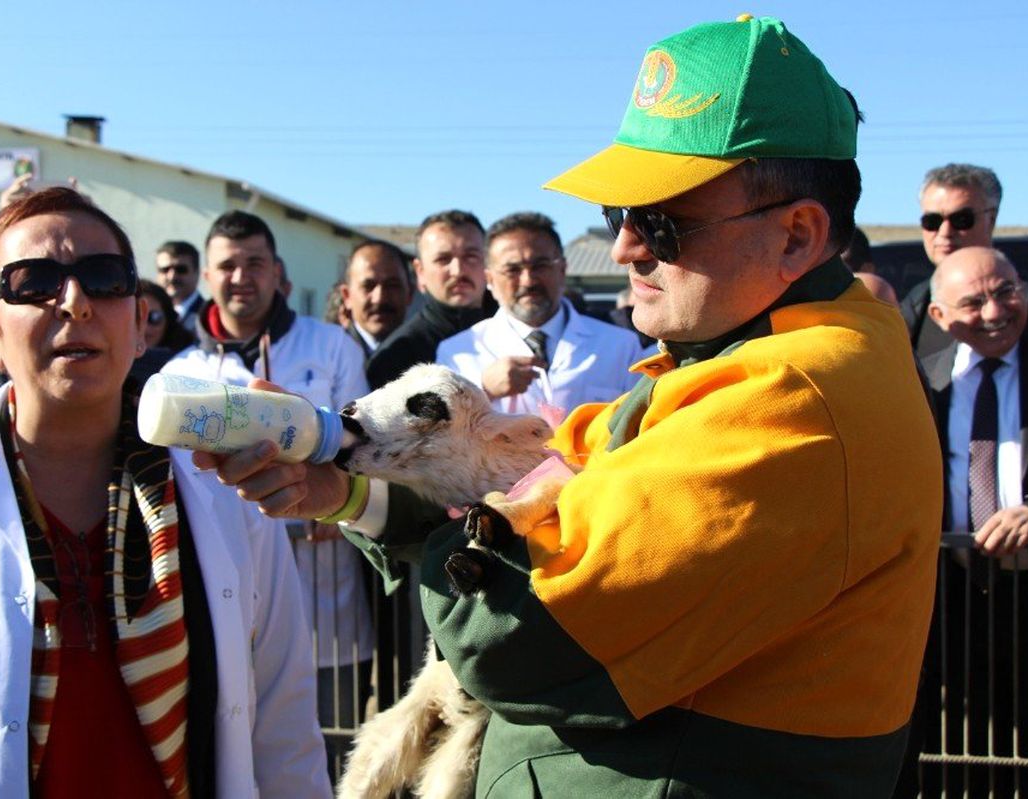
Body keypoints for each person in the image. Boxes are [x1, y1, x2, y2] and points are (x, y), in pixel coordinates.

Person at [200, 15, 943, 796]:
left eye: (661, 221)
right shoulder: (759, 354)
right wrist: (347, 481)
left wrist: (415, 517)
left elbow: (513, 635)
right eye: (619, 217)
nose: (624, 247)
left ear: (798, 234)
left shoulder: (792, 392)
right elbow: (545, 472)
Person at [0, 187, 330, 797]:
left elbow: (283, 728)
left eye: (104, 279)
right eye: (34, 283)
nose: (75, 303)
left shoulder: (226, 483)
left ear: (139, 326)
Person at [161, 210, 374, 770]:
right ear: (207, 276)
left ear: (278, 273)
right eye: (227, 266)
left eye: (254, 263)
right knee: (236, 742)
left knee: (332, 743)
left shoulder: (331, 347)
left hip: (327, 595)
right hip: (227, 588)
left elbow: (364, 451)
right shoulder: (183, 373)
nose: (241, 277)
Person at [914, 246, 1028, 798]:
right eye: (973, 302)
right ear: (939, 317)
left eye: (1006, 291)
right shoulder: (917, 379)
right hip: (944, 595)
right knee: (952, 739)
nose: (996, 311)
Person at [436, 212, 642, 419]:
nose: (528, 281)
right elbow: (443, 435)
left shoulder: (620, 346)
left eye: (540, 266)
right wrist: (483, 391)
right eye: (512, 270)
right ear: (489, 279)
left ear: (562, 269)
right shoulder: (457, 353)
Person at [365, 210, 497, 390]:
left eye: (470, 256)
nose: (458, 270)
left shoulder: (520, 331)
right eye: (443, 259)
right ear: (420, 272)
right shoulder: (396, 357)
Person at [900, 164, 1002, 357]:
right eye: (932, 221)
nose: (945, 232)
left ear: (992, 220)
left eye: (962, 219)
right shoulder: (913, 307)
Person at [339, 240, 413, 357]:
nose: (380, 298)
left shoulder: (432, 356)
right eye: (368, 286)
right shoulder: (327, 357)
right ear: (347, 296)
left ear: (410, 293)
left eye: (392, 285)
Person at [155, 240, 203, 333]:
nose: (172, 276)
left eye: (181, 269)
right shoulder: (149, 316)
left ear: (197, 273)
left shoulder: (208, 317)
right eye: (165, 270)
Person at [139, 280, 195, 355]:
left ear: (168, 320)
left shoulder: (188, 359)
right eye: (137, 318)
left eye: (154, 318)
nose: (145, 327)